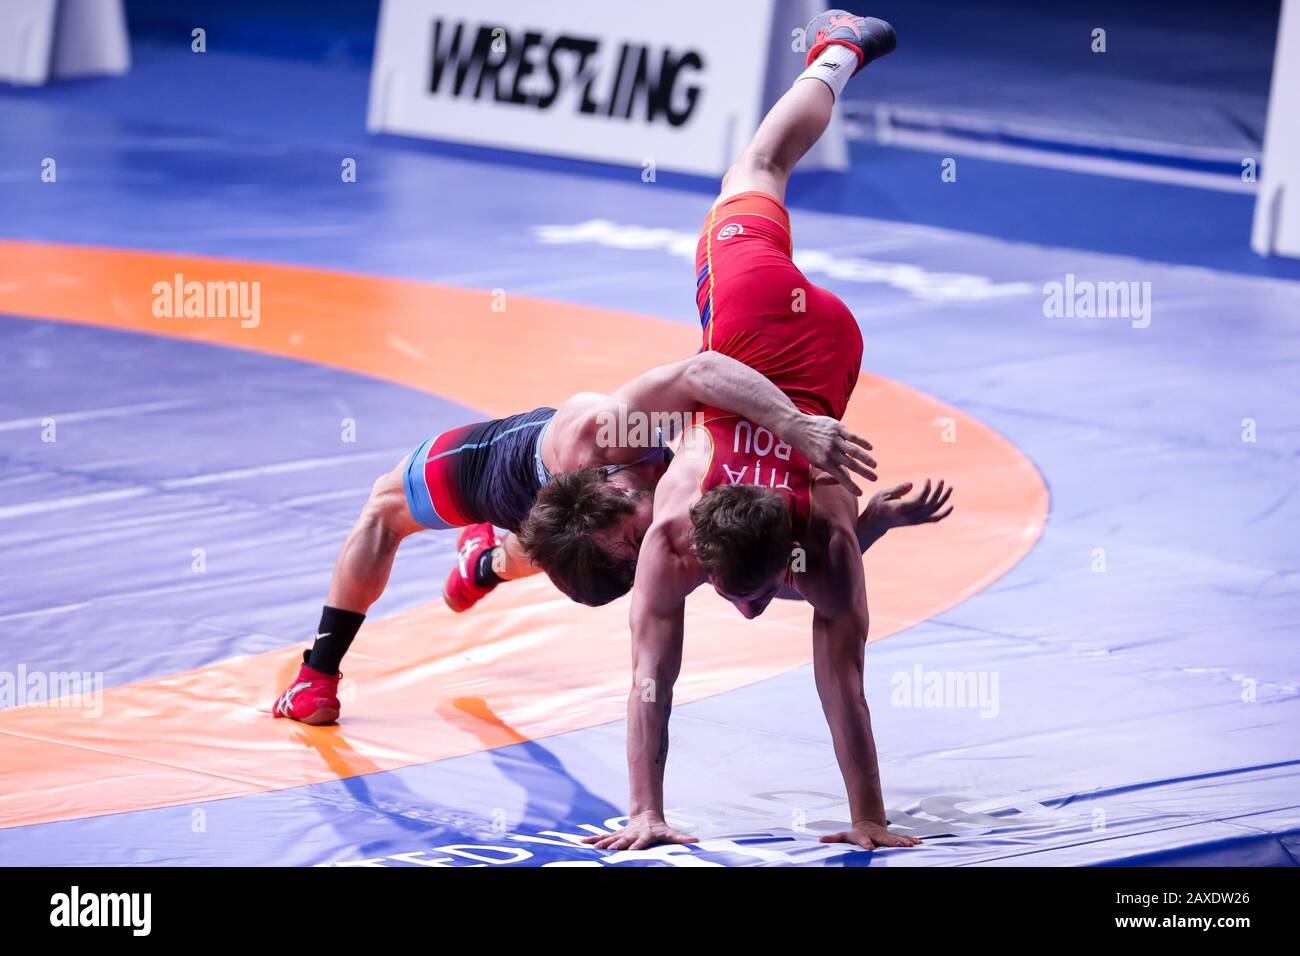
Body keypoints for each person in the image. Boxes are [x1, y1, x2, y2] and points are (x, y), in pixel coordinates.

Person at [557, 11, 951, 852]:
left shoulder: (807, 540)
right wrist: (644, 812)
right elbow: (656, 682)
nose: (749, 611)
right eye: (756, 597)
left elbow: (840, 687)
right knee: (758, 168)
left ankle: (838, 47)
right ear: (701, 549)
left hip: (803, 336)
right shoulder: (699, 532)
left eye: (761, 592)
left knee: (758, 167)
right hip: (795, 340)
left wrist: (870, 820)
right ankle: (834, 52)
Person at [272, 348, 876, 725]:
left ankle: (320, 674)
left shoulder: (656, 513)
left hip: (515, 491)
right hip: (520, 479)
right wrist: (796, 430)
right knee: (387, 509)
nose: (657, 539)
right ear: (615, 492)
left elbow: (755, 584)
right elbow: (702, 372)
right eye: (643, 539)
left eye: (640, 543)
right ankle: (327, 672)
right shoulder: (615, 440)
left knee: (394, 512)